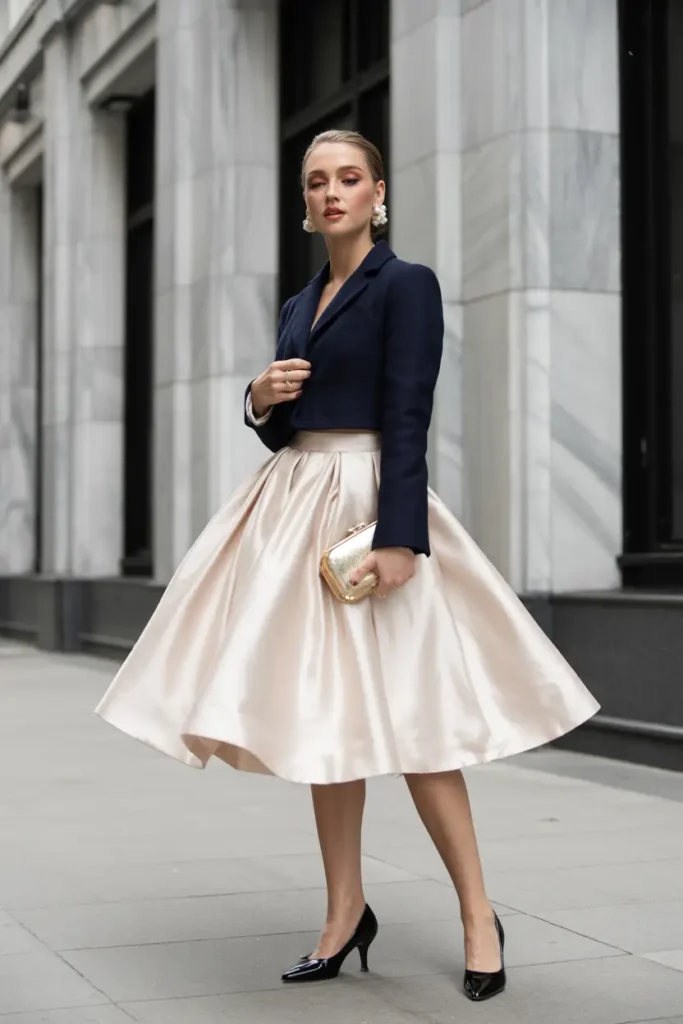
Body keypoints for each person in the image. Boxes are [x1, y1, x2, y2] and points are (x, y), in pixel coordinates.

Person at [95, 129, 599, 1002]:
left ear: (376, 195)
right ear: (304, 203)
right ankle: (343, 914)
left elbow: (409, 414)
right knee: (326, 720)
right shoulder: (298, 303)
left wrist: (400, 537)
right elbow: (288, 422)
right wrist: (256, 400)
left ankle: (478, 916)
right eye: (317, 181)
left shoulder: (405, 285)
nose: (332, 193)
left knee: (419, 727)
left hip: (369, 509)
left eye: (349, 178)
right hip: (292, 507)